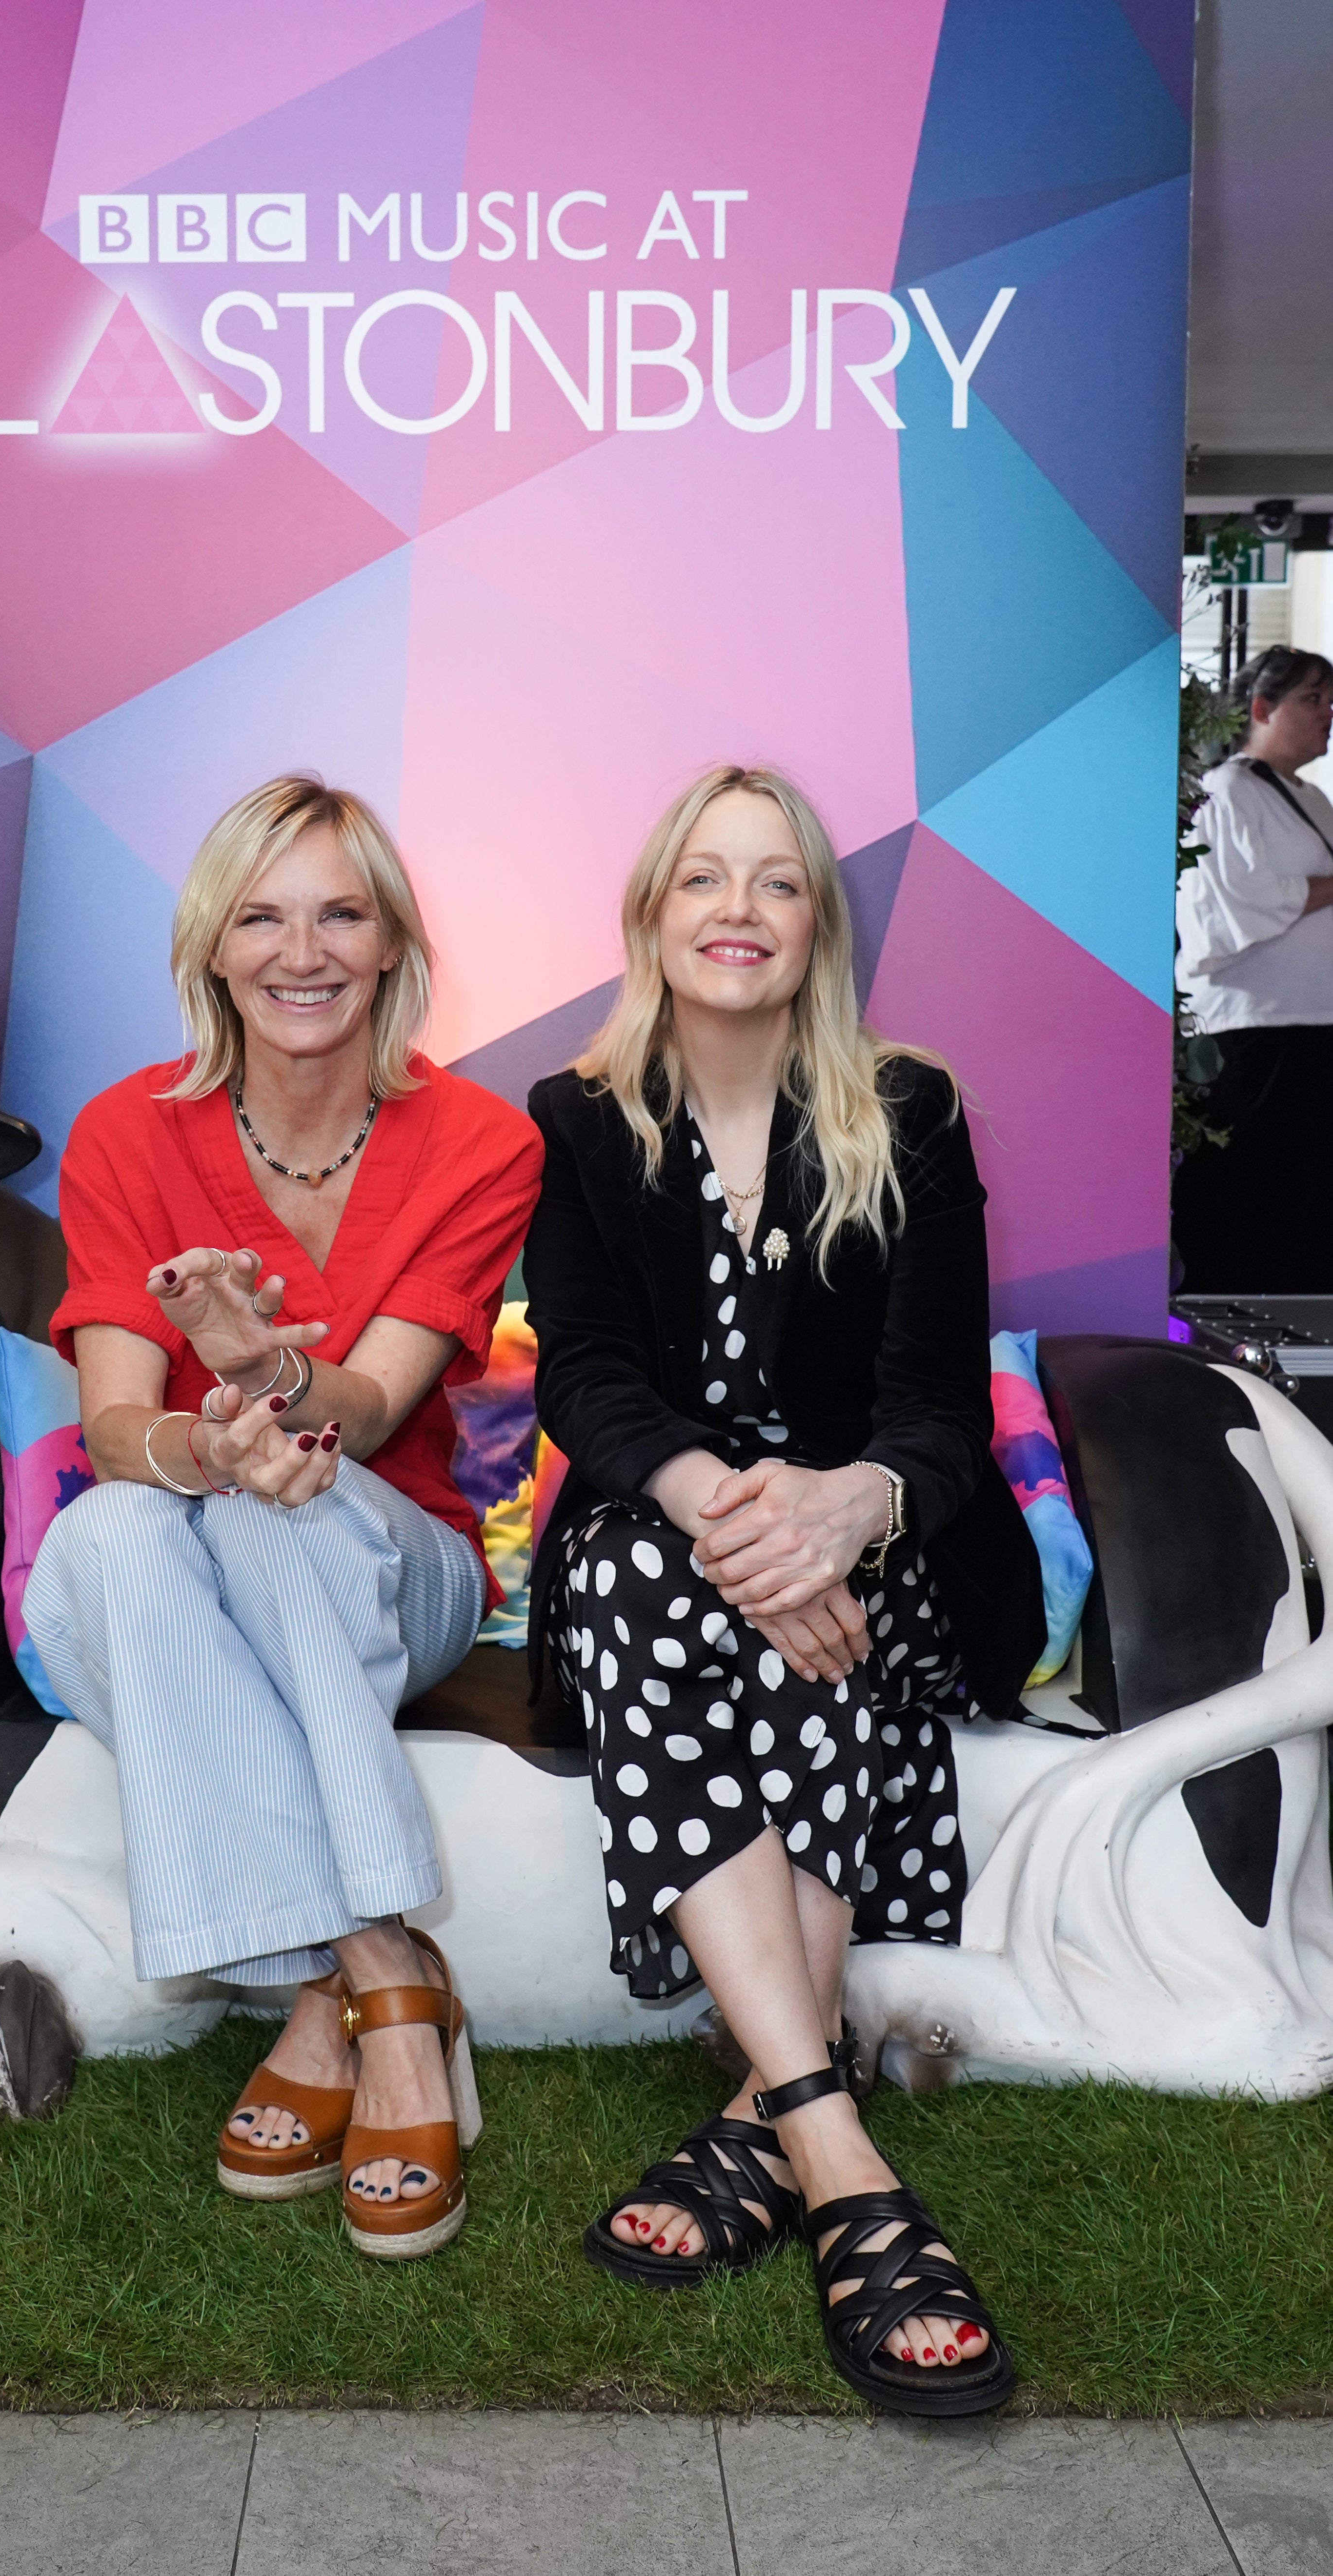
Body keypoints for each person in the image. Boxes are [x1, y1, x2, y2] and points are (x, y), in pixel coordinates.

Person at [524, 765, 1044, 2415]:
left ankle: (761, 2123)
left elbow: (938, 1409)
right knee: (646, 1584)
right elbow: (589, 1382)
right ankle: (836, 2146)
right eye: (705, 879)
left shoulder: (909, 1109)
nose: (738, 912)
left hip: (881, 1550)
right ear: (652, 915)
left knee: (800, 1632)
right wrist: (721, 1516)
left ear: (820, 924)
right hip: (665, 1541)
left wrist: (848, 1513)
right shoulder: (584, 1120)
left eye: (777, 883)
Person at [22, 775, 541, 2260]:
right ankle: (379, 1969)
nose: (299, 952)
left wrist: (271, 1371)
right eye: (259, 915)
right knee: (124, 1532)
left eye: (337, 913)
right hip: (173, 1550)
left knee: (273, 1524)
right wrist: (200, 1436)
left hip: (400, 1564)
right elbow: (114, 1431)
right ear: (211, 948)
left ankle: (332, 1996)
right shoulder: (127, 1134)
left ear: (390, 945)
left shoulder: (481, 1143)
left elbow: (372, 1411)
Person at [1174, 645, 1333, 1291]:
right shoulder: (1226, 790)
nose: (1327, 715)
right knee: (1251, 1191)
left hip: (1308, 1024)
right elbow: (1243, 903)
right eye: (1312, 700)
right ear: (1261, 708)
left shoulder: (1311, 797)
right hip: (1250, 1029)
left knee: (1304, 1196)